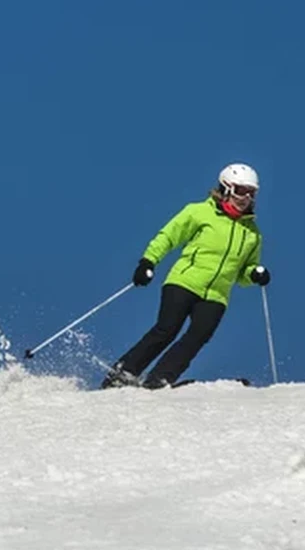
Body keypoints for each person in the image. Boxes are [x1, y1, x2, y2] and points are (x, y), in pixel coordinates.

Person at [101, 162, 271, 390]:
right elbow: (169, 236)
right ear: (227, 188)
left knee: (198, 337)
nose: (246, 198)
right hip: (184, 282)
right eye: (241, 191)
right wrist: (148, 261)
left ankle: (159, 379)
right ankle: (123, 373)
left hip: (217, 295)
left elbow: (243, 272)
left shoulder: (252, 233)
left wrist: (255, 274)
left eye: (251, 193)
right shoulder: (199, 212)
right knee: (166, 329)